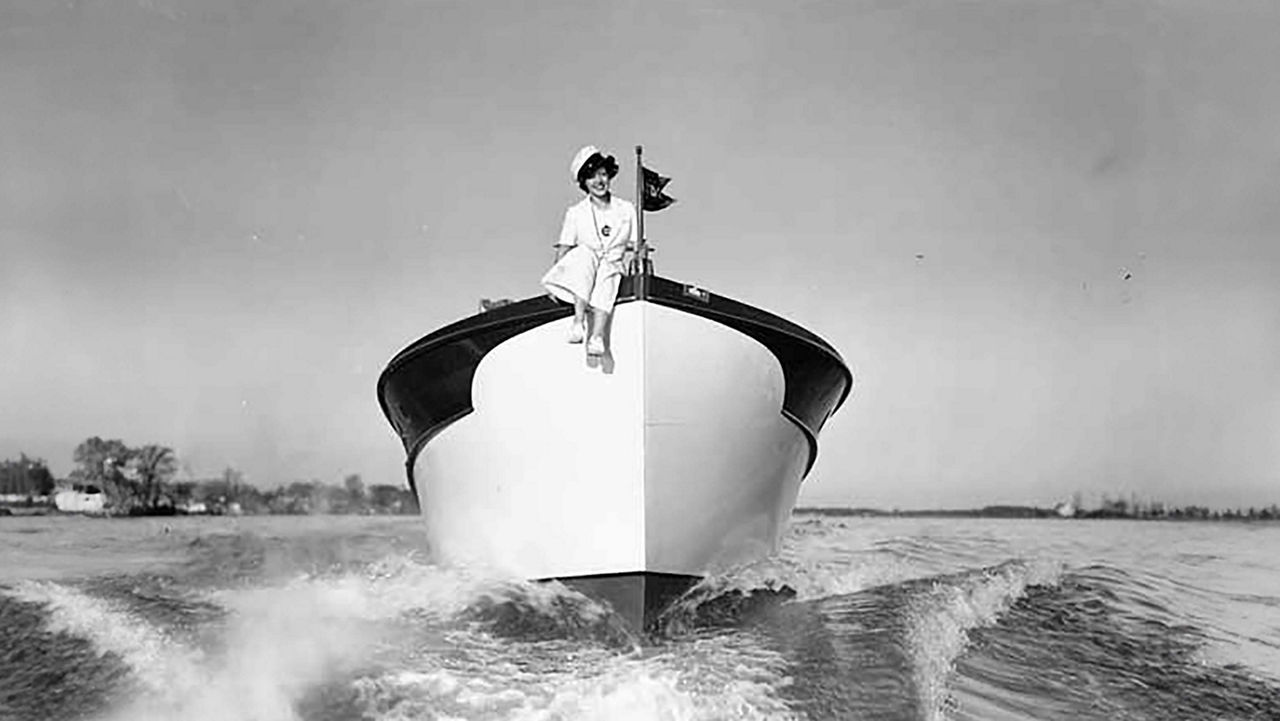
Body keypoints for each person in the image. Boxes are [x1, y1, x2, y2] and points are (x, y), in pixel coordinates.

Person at [541, 145, 637, 356]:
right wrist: (557, 283)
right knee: (585, 255)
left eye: (602, 174)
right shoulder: (575, 213)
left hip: (612, 266)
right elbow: (565, 248)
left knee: (608, 271)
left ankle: (597, 336)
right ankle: (578, 322)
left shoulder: (627, 209)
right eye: (591, 177)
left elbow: (636, 244)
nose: (599, 181)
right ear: (584, 183)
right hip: (583, 268)